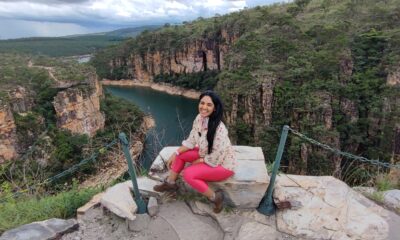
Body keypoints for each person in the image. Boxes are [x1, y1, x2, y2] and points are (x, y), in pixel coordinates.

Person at [153, 90, 236, 213]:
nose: (204, 107)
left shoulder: (220, 129)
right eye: (202, 103)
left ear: (215, 108)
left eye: (209, 105)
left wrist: (201, 160)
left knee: (188, 174)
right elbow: (191, 140)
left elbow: (218, 154)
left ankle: (215, 197)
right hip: (206, 152)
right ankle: (170, 183)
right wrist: (175, 153)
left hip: (222, 164)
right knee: (181, 155)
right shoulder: (199, 119)